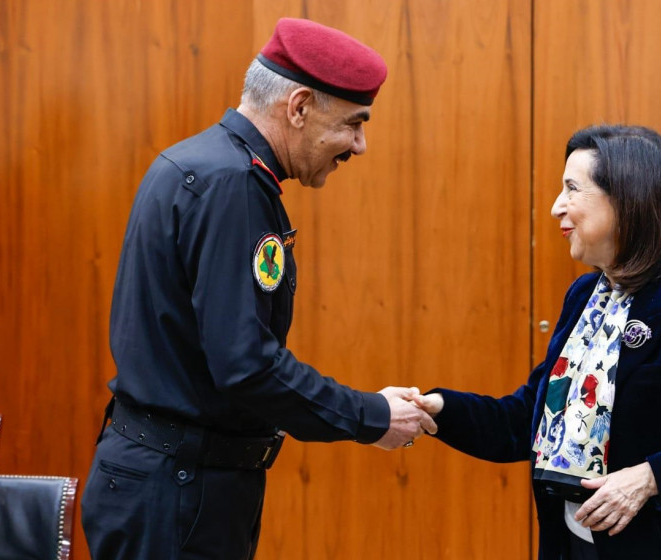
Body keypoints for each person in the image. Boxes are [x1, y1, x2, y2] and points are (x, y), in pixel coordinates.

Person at [81, 18, 436, 560]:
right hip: (180, 492)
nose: (360, 146)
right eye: (353, 124)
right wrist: (371, 415)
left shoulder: (203, 163)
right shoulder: (232, 186)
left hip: (169, 482)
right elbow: (246, 364)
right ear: (298, 107)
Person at [411, 125, 661, 559]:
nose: (556, 207)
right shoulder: (583, 297)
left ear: (627, 200)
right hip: (573, 545)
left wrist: (650, 477)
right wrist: (435, 410)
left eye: (572, 188)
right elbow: (528, 422)